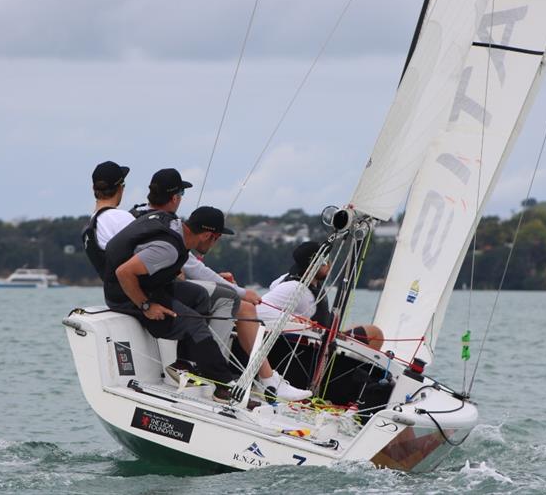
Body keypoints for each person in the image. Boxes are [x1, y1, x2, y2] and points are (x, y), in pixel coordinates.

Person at [134, 170, 310, 401]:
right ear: (174, 197)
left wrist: (220, 282)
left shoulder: (152, 220)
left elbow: (190, 268)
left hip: (161, 288)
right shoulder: (169, 230)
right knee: (232, 299)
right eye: (182, 193)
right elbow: (193, 269)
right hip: (153, 294)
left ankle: (267, 380)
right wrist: (241, 291)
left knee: (242, 306)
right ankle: (216, 374)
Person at [104, 205, 257, 407]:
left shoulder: (171, 222)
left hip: (151, 286)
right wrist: (146, 306)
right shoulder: (169, 249)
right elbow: (124, 273)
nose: (215, 243)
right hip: (127, 294)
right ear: (206, 235)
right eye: (217, 238)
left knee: (201, 296)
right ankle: (224, 386)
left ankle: (184, 364)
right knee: (195, 325)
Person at [257, 241, 384, 350]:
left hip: (325, 336)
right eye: (326, 261)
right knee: (375, 334)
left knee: (364, 329)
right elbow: (257, 308)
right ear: (317, 264)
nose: (329, 264)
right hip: (317, 347)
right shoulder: (295, 288)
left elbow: (274, 287)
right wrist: (290, 319)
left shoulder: (289, 279)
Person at [83, 161, 135, 279]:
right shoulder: (122, 218)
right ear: (120, 187)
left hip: (113, 292)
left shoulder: (91, 225)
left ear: (93, 188)